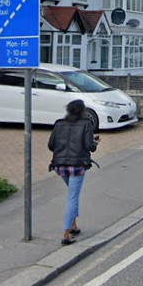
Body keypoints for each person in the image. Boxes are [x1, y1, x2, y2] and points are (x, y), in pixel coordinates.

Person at [48, 100, 99, 246]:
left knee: (72, 194)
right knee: (73, 197)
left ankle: (74, 226)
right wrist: (95, 143)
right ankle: (66, 234)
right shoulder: (86, 124)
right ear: (82, 111)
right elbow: (90, 146)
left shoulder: (59, 124)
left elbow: (51, 145)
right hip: (77, 166)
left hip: (60, 166)